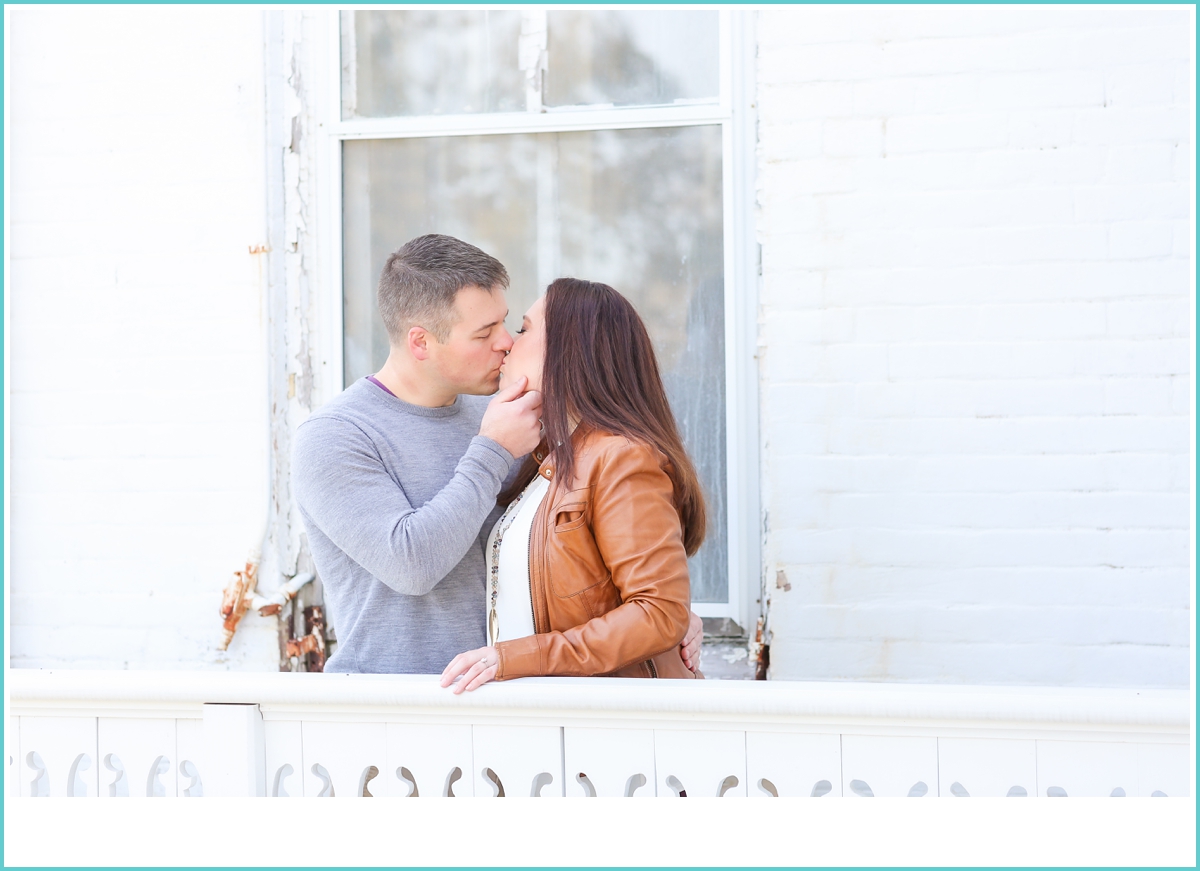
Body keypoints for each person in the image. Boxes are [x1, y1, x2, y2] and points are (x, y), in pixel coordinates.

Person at [292, 235, 703, 674]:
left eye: (507, 324)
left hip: (510, 699)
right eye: (484, 333)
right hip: (402, 704)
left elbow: (579, 546)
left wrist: (660, 614)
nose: (506, 342)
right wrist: (491, 451)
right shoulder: (335, 437)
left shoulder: (504, 415)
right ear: (420, 342)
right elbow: (411, 566)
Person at [440, 278, 707, 693]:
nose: (509, 342)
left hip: (621, 729)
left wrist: (514, 658)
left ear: (570, 350)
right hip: (561, 725)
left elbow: (658, 612)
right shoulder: (548, 460)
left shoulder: (621, 458)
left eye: (525, 329)